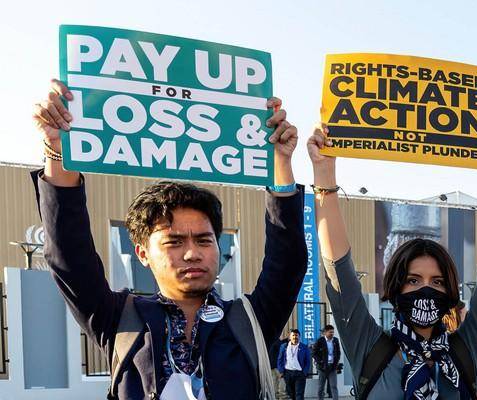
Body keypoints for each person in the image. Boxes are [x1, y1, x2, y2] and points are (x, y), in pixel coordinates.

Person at [30, 79, 304, 399]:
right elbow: (70, 256)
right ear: (142, 253)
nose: (192, 253)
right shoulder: (119, 318)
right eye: (174, 242)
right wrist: (57, 149)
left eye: (204, 240)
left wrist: (280, 162)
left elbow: (287, 260)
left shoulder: (250, 320)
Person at [308, 126, 477, 399]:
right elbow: (339, 272)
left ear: (450, 291)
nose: (425, 289)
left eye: (437, 282)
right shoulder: (369, 347)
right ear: (396, 287)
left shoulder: (466, 350)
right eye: (413, 280)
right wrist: (323, 171)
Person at [277, 329, 312, 400]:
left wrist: (304, 372)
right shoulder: (284, 346)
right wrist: (281, 371)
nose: (295, 337)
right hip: (288, 373)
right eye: (293, 335)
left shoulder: (304, 347)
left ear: (299, 337)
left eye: (296, 335)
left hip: (299, 373)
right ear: (290, 337)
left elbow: (308, 361)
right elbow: (280, 359)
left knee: (299, 394)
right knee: (291, 393)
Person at [312, 325, 342, 400]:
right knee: (321, 387)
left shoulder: (335, 340)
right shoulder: (320, 341)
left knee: (333, 386)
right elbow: (314, 353)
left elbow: (338, 352)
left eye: (333, 332)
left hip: (332, 367)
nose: (332, 334)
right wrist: (320, 361)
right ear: (325, 332)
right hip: (322, 367)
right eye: (330, 332)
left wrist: (336, 362)